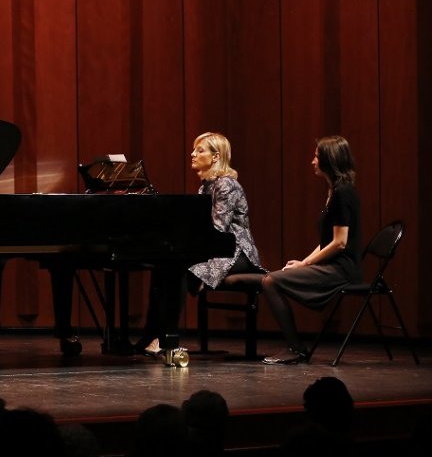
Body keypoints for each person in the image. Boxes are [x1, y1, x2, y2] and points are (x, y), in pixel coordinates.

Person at [137, 132, 264, 355]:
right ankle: (151, 335)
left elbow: (219, 229)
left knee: (180, 270)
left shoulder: (227, 185)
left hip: (236, 252)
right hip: (216, 248)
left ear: (215, 157)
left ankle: (169, 339)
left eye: (200, 150)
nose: (193, 154)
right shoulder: (207, 185)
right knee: (163, 268)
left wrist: (188, 247)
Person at [261, 135, 362, 365]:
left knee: (270, 281)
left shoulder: (343, 193)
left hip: (342, 270)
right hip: (334, 266)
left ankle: (295, 348)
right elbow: (327, 240)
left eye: (316, 157)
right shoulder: (333, 191)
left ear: (329, 159)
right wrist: (304, 261)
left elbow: (340, 242)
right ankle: (295, 347)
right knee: (273, 279)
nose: (312, 161)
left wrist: (307, 264)